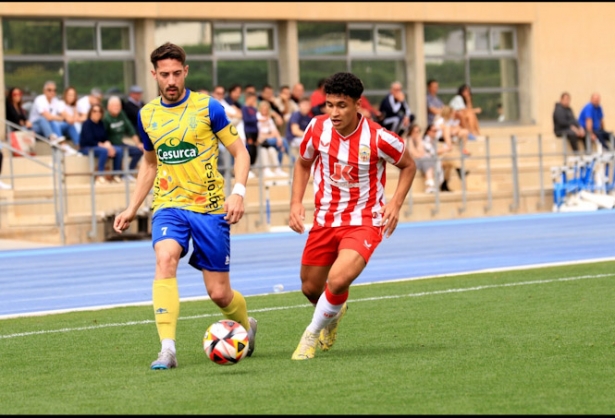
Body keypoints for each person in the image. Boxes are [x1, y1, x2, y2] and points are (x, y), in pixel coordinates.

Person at [112, 42, 257, 370]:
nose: (171, 80)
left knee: (219, 294)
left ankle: (246, 327)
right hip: (168, 205)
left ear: (186, 71)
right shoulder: (146, 115)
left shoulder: (209, 108)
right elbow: (149, 164)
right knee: (165, 259)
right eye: (164, 74)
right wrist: (132, 206)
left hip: (209, 209)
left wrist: (238, 192)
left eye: (177, 73)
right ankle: (168, 350)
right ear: (154, 75)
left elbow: (242, 153)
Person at [288, 72, 416, 360]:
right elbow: (303, 163)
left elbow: (409, 165)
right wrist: (295, 203)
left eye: (341, 106)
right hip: (325, 219)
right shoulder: (317, 128)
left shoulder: (379, 137)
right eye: (329, 105)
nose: (334, 112)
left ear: (358, 105)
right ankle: (334, 313)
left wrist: (395, 203)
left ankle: (309, 335)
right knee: (310, 288)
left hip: (364, 221)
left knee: (337, 279)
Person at [78, 103, 123, 184]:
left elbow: (105, 138)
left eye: (99, 111)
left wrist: (109, 145)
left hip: (99, 147)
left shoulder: (101, 124)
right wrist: (105, 147)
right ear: (90, 113)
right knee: (104, 151)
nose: (97, 113)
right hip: (86, 147)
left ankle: (116, 175)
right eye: (94, 111)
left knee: (118, 150)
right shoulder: (87, 124)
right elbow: (89, 140)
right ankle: (100, 176)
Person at [103, 95, 144, 180]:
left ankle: (128, 173)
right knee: (119, 151)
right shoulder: (105, 118)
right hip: (110, 144)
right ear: (108, 107)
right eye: (114, 106)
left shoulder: (122, 114)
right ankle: (117, 175)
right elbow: (103, 135)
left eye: (118, 106)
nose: (116, 108)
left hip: (120, 143)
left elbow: (131, 130)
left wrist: (138, 144)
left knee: (138, 151)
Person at [27, 80, 66, 144]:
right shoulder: (39, 99)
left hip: (49, 127)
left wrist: (52, 117)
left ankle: (78, 145)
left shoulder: (55, 100)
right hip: (35, 126)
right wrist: (54, 117)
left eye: (54, 90)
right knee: (43, 119)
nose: (52, 92)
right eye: (49, 90)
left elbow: (62, 117)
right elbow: (48, 117)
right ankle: (53, 138)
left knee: (67, 125)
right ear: (44, 91)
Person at [257, 99, 288, 177]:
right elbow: (260, 135)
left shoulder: (269, 118)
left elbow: (275, 131)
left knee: (279, 144)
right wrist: (271, 135)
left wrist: (278, 138)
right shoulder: (257, 117)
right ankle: (292, 160)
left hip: (269, 141)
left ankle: (278, 169)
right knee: (282, 142)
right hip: (261, 141)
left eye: (266, 109)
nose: (265, 111)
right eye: (263, 109)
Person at [406, 123, 437, 193]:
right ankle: (430, 184)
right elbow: (413, 154)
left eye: (419, 131)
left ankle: (430, 186)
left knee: (426, 160)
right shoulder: (408, 140)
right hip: (411, 163)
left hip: (420, 162)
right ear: (411, 132)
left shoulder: (419, 140)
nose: (417, 133)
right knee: (426, 159)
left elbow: (422, 153)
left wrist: (419, 142)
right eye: (415, 131)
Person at [241, 91, 259, 178]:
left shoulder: (254, 109)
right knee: (250, 150)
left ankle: (252, 167)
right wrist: (256, 119)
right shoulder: (244, 108)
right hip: (248, 131)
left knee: (255, 150)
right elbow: (247, 120)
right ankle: (248, 168)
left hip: (255, 131)